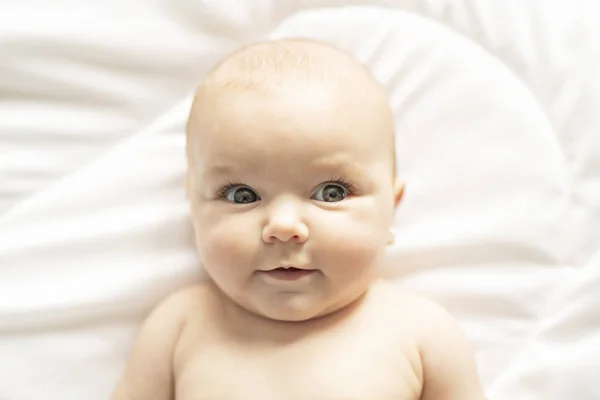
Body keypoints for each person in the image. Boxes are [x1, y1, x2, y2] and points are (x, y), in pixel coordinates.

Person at [112, 38, 486, 400]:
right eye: (243, 195)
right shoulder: (178, 328)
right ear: (194, 206)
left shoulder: (422, 335)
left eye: (331, 193)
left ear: (393, 207)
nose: (284, 226)